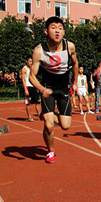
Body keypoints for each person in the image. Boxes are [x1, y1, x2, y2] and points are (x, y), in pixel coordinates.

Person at [28, 16, 79, 164]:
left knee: (65, 126)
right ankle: (51, 151)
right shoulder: (39, 51)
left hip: (63, 89)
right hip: (48, 89)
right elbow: (32, 76)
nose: (57, 31)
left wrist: (75, 82)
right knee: (49, 125)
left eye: (60, 28)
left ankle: (49, 114)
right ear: (46, 31)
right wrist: (42, 89)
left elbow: (75, 64)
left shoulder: (69, 46)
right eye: (53, 28)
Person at [20, 56, 41, 121]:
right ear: (26, 62)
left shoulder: (33, 69)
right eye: (30, 61)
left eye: (32, 61)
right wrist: (25, 89)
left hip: (33, 86)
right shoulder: (24, 69)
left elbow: (35, 78)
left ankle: (39, 116)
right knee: (28, 103)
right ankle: (29, 117)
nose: (31, 63)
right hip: (28, 87)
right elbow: (23, 80)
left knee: (38, 102)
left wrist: (37, 86)